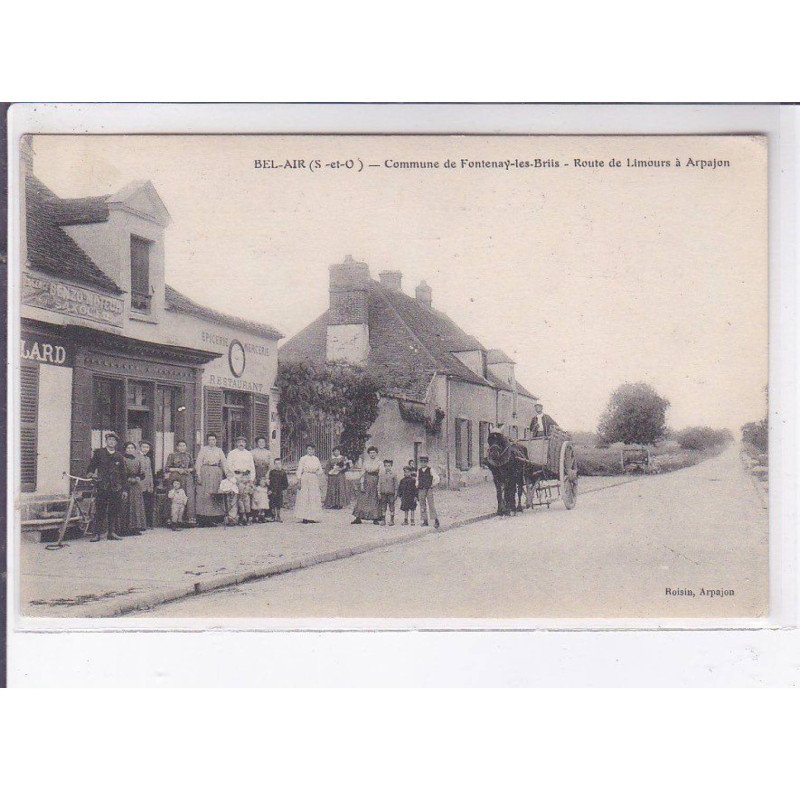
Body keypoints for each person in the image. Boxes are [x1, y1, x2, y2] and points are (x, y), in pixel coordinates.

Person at [86, 431, 127, 541]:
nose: (112, 442)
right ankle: (97, 534)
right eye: (110, 440)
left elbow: (123, 474)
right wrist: (90, 473)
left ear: (116, 443)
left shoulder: (119, 456)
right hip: (102, 486)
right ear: (106, 441)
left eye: (114, 440)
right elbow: (92, 465)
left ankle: (111, 533)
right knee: (100, 510)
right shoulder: (99, 453)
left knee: (114, 510)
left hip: (116, 487)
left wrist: (124, 489)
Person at [194, 433, 227, 526]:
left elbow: (224, 463)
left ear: (216, 441)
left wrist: (228, 475)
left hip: (216, 472)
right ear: (207, 441)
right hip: (205, 472)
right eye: (210, 440)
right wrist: (198, 475)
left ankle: (214, 518)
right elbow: (199, 462)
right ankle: (203, 518)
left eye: (213, 440)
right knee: (204, 494)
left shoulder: (219, 450)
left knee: (215, 494)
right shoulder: (204, 450)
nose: (212, 441)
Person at [227, 436, 256, 525]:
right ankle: (237, 517)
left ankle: (247, 517)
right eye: (239, 442)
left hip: (246, 477)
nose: (241, 444)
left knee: (246, 497)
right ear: (236, 443)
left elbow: (252, 467)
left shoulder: (248, 454)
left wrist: (251, 479)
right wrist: (233, 479)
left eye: (243, 442)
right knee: (237, 498)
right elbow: (229, 467)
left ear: (245, 444)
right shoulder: (232, 453)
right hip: (236, 477)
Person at [165, 440, 195, 523]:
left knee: (187, 496)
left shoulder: (189, 455)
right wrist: (177, 469)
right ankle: (172, 520)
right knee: (175, 496)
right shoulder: (172, 455)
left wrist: (188, 470)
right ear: (177, 447)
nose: (182, 447)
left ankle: (186, 519)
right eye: (180, 446)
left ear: (186, 447)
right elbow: (167, 468)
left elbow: (193, 467)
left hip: (187, 478)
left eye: (184, 446)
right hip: (175, 477)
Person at [352, 446, 382, 525]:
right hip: (366, 481)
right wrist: (361, 484)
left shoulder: (379, 462)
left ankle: (375, 518)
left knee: (374, 500)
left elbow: (381, 474)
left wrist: (379, 485)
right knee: (362, 499)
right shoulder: (366, 462)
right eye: (370, 453)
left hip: (375, 482)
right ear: (368, 454)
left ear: (376, 453)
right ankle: (358, 518)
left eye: (374, 453)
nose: (372, 454)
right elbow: (362, 473)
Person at [123, 441, 147, 536]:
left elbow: (142, 473)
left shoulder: (138, 459)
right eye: (128, 448)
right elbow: (122, 472)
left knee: (136, 506)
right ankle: (125, 528)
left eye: (132, 448)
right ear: (125, 449)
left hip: (136, 485)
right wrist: (128, 479)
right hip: (126, 485)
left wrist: (138, 478)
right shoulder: (123, 459)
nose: (130, 450)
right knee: (126, 504)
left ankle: (136, 527)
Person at [295, 444, 324, 523]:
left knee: (313, 497)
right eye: (309, 449)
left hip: (313, 478)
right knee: (305, 497)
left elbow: (320, 470)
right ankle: (304, 517)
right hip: (305, 478)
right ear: (306, 450)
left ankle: (312, 516)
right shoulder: (303, 458)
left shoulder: (316, 459)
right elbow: (299, 470)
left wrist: (316, 472)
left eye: (312, 449)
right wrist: (299, 480)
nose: (311, 451)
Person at [417, 455, 440, 529]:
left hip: (428, 489)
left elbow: (437, 478)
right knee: (422, 505)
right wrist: (417, 485)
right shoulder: (419, 470)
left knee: (431, 504)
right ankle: (425, 520)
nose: (423, 463)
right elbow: (417, 479)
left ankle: (436, 520)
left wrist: (432, 484)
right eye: (422, 462)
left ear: (427, 462)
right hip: (421, 489)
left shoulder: (430, 469)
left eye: (425, 462)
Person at [138, 441, 155, 529]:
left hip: (148, 485)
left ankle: (147, 523)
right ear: (140, 447)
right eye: (144, 447)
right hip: (140, 484)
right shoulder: (137, 457)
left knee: (147, 504)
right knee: (140, 504)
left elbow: (150, 473)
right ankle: (141, 524)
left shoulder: (148, 458)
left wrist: (151, 485)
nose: (145, 449)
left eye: (147, 447)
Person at [378, 458, 398, 526]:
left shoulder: (394, 474)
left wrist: (396, 493)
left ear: (391, 466)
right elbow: (379, 484)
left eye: (389, 466)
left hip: (391, 494)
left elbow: (396, 485)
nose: (387, 467)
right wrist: (379, 492)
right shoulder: (381, 474)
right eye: (386, 466)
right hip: (383, 493)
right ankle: (383, 520)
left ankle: (392, 520)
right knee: (383, 507)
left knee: (391, 506)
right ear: (384, 466)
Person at [268, 458, 289, 522]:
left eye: (279, 463)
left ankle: (278, 516)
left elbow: (286, 483)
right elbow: (270, 481)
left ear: (281, 464)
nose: (277, 465)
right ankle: (273, 516)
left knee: (279, 503)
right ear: (274, 464)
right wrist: (269, 489)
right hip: (273, 490)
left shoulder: (283, 472)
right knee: (272, 503)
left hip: (279, 490)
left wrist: (283, 489)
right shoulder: (272, 472)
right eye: (276, 463)